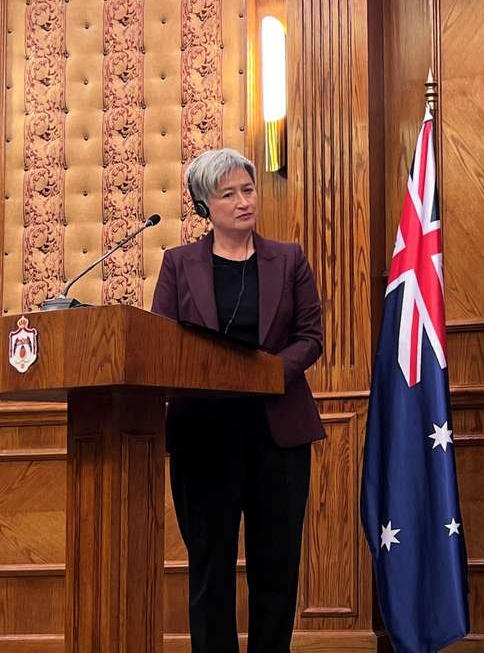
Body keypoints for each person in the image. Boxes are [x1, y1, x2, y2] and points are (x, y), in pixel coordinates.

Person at [152, 147, 324, 653]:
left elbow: (311, 336)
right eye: (228, 194)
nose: (243, 201)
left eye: (248, 190)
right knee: (210, 569)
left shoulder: (288, 258)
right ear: (204, 206)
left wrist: (270, 374)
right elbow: (162, 343)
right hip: (203, 437)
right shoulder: (178, 264)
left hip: (278, 435)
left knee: (277, 568)